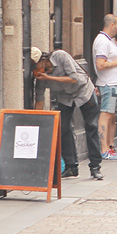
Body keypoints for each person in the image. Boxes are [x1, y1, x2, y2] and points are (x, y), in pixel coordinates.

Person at [37, 45, 104, 181]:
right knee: (63, 128)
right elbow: (39, 99)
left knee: (91, 126)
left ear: (43, 60)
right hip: (65, 97)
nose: (38, 70)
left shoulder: (60, 56)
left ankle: (95, 167)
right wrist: (36, 120)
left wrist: (50, 78)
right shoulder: (40, 78)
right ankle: (71, 166)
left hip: (84, 92)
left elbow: (73, 78)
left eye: (38, 66)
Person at [93, 14, 117, 162]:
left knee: (111, 116)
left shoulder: (108, 42)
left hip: (114, 83)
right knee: (106, 115)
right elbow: (100, 64)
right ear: (112, 25)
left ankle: (108, 147)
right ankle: (104, 150)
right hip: (109, 83)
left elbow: (114, 59)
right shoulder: (103, 41)